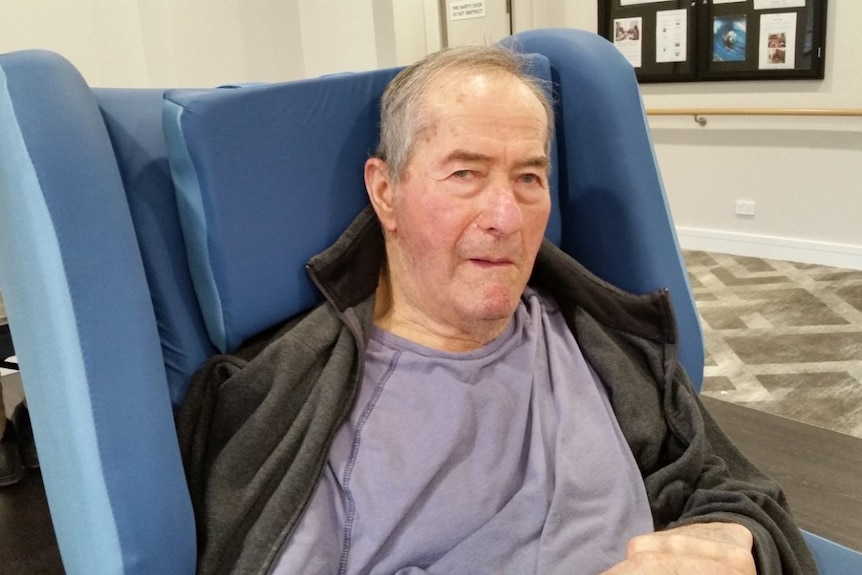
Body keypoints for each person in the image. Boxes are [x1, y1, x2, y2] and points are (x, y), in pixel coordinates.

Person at [177, 45, 816, 575]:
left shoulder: (600, 344)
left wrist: (735, 544)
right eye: (465, 173)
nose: (506, 219)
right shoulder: (303, 411)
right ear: (385, 191)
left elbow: (734, 489)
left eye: (529, 178)